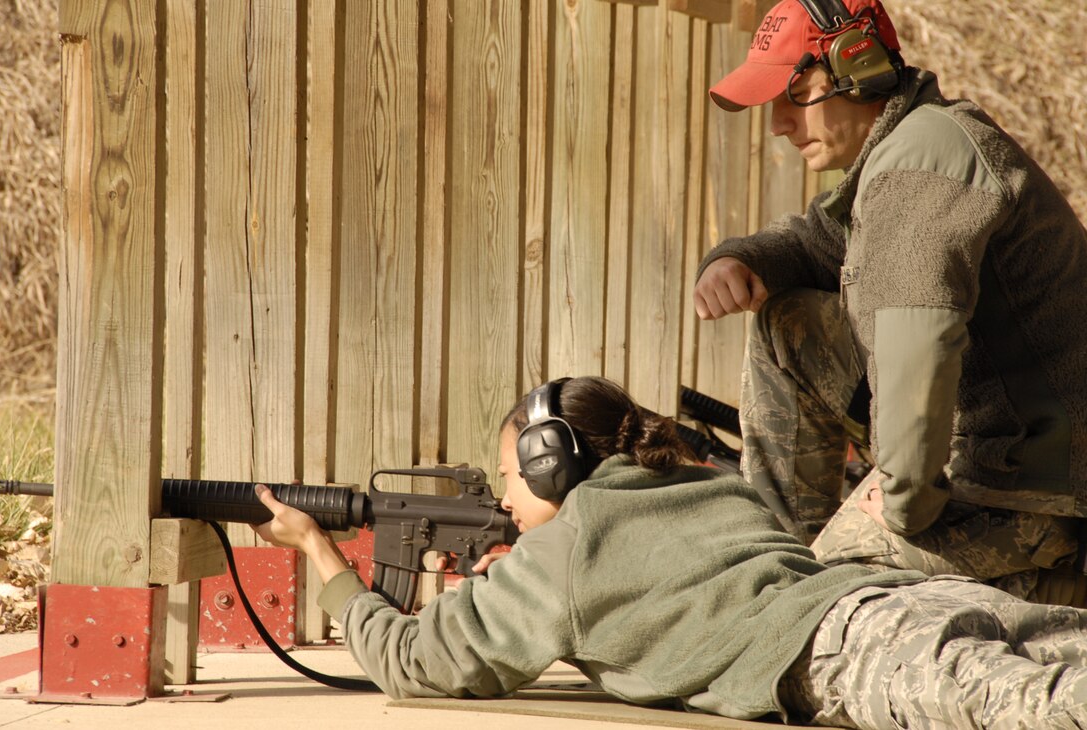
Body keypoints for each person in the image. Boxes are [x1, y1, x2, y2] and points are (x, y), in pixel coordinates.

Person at [253, 376, 1087, 728]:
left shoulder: (563, 553)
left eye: (511, 474)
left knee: (1048, 710)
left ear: (554, 461)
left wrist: (319, 556)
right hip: (900, 600)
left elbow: (408, 659)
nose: (504, 496)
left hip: (844, 650)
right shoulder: (706, 482)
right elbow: (643, 578)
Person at [692, 0, 1087, 602]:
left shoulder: (921, 166)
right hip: (990, 462)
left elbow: (917, 349)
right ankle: (779, 551)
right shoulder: (900, 152)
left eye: (793, 94)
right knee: (788, 319)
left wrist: (902, 499)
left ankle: (1051, 592)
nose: (777, 123)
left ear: (862, 66)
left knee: (799, 610)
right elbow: (815, 243)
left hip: (1025, 492)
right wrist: (738, 259)